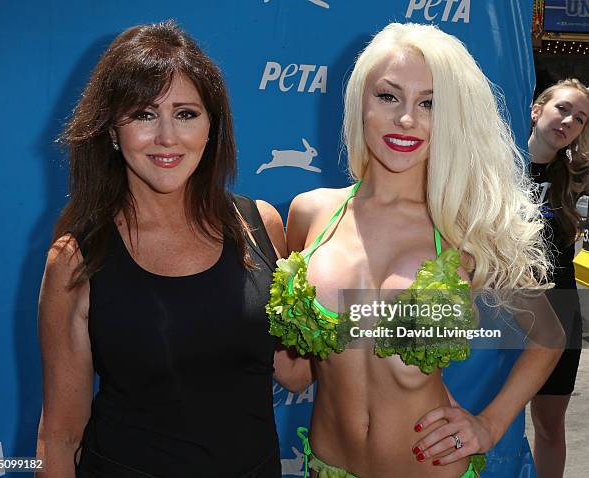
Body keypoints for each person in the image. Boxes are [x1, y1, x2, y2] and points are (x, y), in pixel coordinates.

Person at [268, 23, 563, 477]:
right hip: (325, 467)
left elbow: (549, 337)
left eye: (430, 103)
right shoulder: (312, 214)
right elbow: (296, 373)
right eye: (388, 96)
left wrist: (489, 422)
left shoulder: (466, 227)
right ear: (360, 101)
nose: (407, 119)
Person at [36, 20, 307, 477]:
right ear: (111, 131)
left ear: (211, 127)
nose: (167, 137)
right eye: (144, 114)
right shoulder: (76, 257)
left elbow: (295, 371)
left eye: (186, 113)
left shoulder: (259, 225)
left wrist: (380, 300)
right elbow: (60, 436)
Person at [528, 78, 589, 478]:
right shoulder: (494, 165)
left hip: (561, 313)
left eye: (580, 118)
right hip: (501, 311)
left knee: (549, 428)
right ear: (537, 110)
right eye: (563, 108)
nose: (569, 120)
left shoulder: (577, 177)